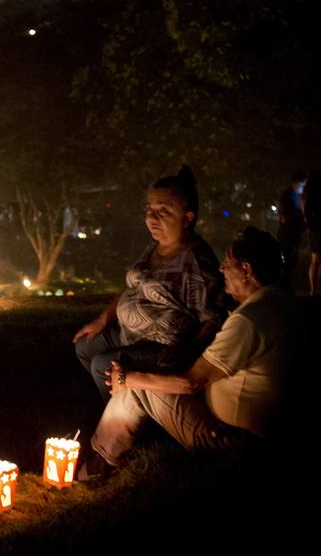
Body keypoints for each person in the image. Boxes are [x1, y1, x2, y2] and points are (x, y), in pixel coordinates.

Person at [80, 227, 299, 476]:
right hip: (263, 432)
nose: (221, 268)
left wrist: (126, 379)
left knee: (139, 384)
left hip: (231, 440)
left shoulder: (250, 320)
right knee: (144, 378)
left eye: (227, 262)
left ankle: (97, 467)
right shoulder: (281, 305)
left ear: (246, 270)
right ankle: (112, 453)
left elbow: (192, 382)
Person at [73, 166, 226, 401]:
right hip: (130, 334)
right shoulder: (157, 246)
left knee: (101, 364)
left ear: (187, 218)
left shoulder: (196, 262)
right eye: (149, 209)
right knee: (85, 345)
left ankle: (120, 422)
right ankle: (120, 399)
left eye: (163, 211)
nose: (152, 218)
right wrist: (103, 319)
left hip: (160, 345)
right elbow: (135, 286)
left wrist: (186, 349)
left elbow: (214, 318)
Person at [275, 170, 307, 289]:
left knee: (292, 262)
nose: (303, 187)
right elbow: (284, 217)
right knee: (287, 261)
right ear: (295, 183)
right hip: (287, 233)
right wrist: (301, 214)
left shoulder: (298, 196)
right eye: (302, 185)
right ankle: (283, 287)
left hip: (295, 233)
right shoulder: (286, 196)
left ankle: (286, 287)